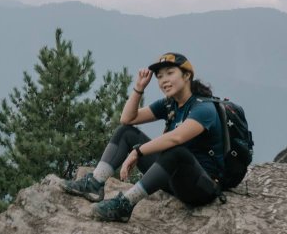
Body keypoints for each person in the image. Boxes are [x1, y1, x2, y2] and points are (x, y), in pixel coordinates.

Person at [61, 52, 224, 222]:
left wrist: (138, 152)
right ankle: (95, 183)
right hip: (173, 179)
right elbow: (127, 119)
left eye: (170, 73)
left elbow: (175, 138)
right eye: (159, 77)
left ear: (187, 75)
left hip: (200, 186)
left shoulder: (204, 108)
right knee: (126, 132)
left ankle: (125, 205)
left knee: (176, 151)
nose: (164, 80)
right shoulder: (170, 104)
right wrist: (139, 88)